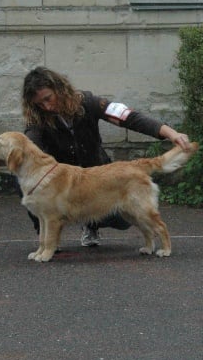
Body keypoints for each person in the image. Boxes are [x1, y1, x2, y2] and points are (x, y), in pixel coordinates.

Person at [21, 66, 193, 247]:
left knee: (122, 220)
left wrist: (171, 133)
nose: (47, 107)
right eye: (39, 104)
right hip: (63, 184)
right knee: (26, 185)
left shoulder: (88, 102)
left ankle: (91, 225)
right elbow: (30, 147)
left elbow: (129, 118)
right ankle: (47, 238)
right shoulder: (36, 118)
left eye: (48, 98)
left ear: (59, 88)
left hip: (98, 179)